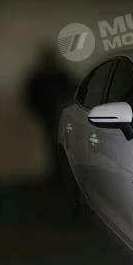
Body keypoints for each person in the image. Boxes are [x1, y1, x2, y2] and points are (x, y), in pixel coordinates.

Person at [23, 45, 76, 183]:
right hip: (50, 115)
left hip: (60, 115)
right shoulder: (43, 77)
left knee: (60, 146)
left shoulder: (59, 75)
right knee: (55, 146)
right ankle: (59, 176)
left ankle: (61, 176)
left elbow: (74, 92)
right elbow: (31, 96)